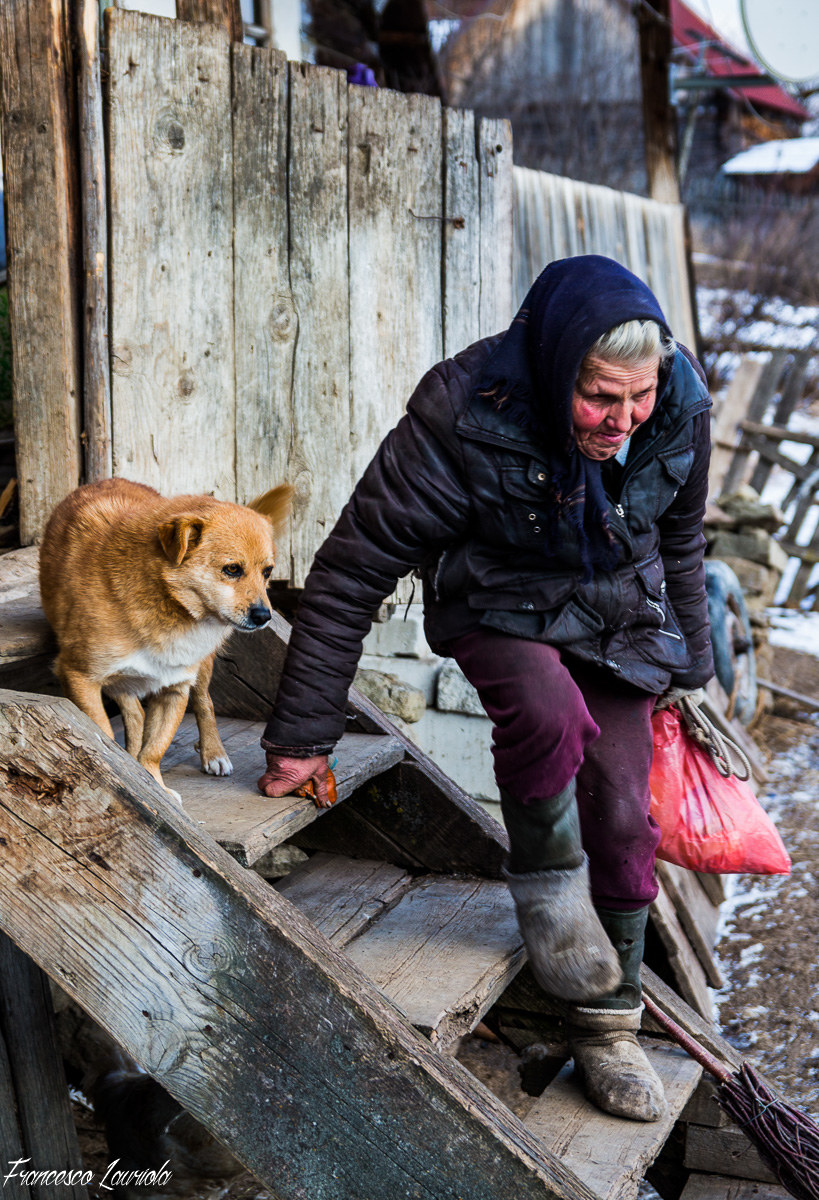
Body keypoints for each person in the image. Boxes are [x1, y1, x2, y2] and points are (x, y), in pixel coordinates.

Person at [256, 254, 714, 1123]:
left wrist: (691, 672)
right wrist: (302, 731)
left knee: (622, 812)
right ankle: (547, 902)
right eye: (599, 398)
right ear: (555, 367)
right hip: (497, 602)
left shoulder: (679, 406)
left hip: (617, 617)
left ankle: (606, 1024)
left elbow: (682, 542)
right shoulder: (463, 413)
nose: (622, 421)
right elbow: (354, 569)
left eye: (638, 397)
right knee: (545, 716)